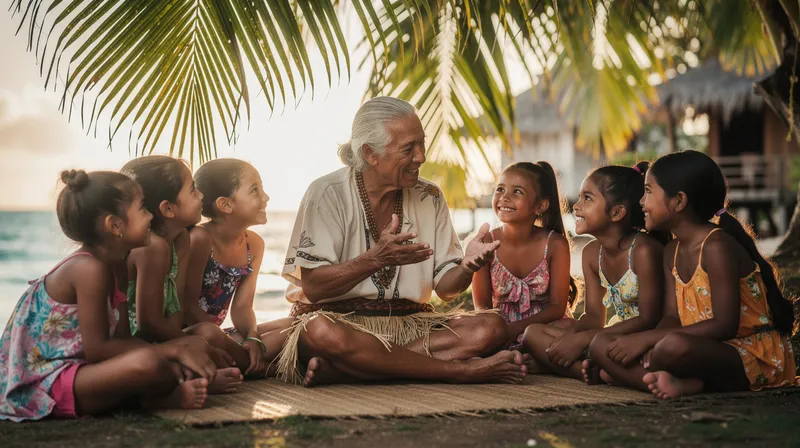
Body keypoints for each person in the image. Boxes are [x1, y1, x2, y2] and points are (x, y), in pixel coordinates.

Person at [277, 96, 527, 387]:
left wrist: (467, 267)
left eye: (422, 144)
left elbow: (446, 289)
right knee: (319, 330)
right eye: (409, 148)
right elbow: (314, 287)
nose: (421, 157)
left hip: (411, 326)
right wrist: (375, 259)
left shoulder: (430, 196)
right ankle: (458, 372)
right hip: (340, 323)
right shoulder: (327, 193)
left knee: (491, 327)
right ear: (370, 153)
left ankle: (351, 370)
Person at [0, 170, 217, 421]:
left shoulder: (116, 266)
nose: (150, 216)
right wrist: (172, 353)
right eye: (142, 208)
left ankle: (170, 388)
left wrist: (176, 351)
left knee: (190, 346)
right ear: (115, 225)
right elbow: (98, 349)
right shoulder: (88, 268)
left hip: (83, 370)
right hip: (46, 383)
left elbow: (122, 339)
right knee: (149, 361)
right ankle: (157, 398)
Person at [590, 150, 797, 398]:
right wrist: (649, 341)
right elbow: (671, 317)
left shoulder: (716, 246)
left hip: (749, 354)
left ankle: (647, 378)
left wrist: (649, 340)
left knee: (672, 346)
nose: (641, 202)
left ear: (679, 201)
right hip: (699, 348)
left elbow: (725, 325)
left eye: (648, 192)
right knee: (600, 343)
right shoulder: (672, 251)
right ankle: (666, 381)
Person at [521, 163, 665, 382]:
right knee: (532, 334)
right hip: (609, 336)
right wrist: (569, 338)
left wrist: (585, 339)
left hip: (641, 340)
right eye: (579, 197)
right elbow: (594, 316)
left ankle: (581, 369)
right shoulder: (591, 254)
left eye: (587, 198)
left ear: (617, 212)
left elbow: (649, 319)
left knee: (596, 344)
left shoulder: (643, 250)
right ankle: (592, 370)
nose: (576, 206)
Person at [122, 156, 243, 393]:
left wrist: (192, 344)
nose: (201, 195)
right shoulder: (151, 247)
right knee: (200, 343)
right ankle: (252, 369)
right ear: (168, 208)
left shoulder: (181, 239)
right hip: (133, 345)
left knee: (207, 334)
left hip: (158, 341)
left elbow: (176, 309)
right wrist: (190, 346)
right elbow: (148, 324)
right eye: (193, 190)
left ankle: (258, 366)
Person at [183, 158, 294, 377]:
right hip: (191, 336)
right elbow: (188, 308)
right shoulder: (200, 239)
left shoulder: (254, 244)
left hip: (221, 338)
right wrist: (228, 341)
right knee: (210, 333)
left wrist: (252, 337)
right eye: (255, 190)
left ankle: (243, 361)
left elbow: (242, 307)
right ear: (225, 205)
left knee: (294, 325)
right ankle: (269, 369)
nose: (266, 197)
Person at [471, 162, 577, 352]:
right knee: (473, 331)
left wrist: (516, 329)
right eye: (500, 189)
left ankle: (524, 355)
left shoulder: (555, 244)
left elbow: (557, 307)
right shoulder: (486, 242)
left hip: (544, 327)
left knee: (569, 327)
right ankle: (527, 358)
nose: (504, 197)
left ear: (540, 206)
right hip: (500, 327)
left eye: (517, 192)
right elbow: (482, 306)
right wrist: (502, 331)